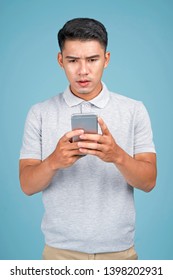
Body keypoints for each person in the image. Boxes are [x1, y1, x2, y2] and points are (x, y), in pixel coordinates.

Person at [19, 18, 157, 260]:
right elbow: (27, 186)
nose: (83, 71)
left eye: (92, 59)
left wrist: (117, 156)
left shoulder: (134, 110)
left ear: (107, 59)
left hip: (120, 253)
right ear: (60, 61)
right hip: (59, 253)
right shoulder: (39, 113)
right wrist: (53, 161)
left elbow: (148, 182)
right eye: (73, 60)